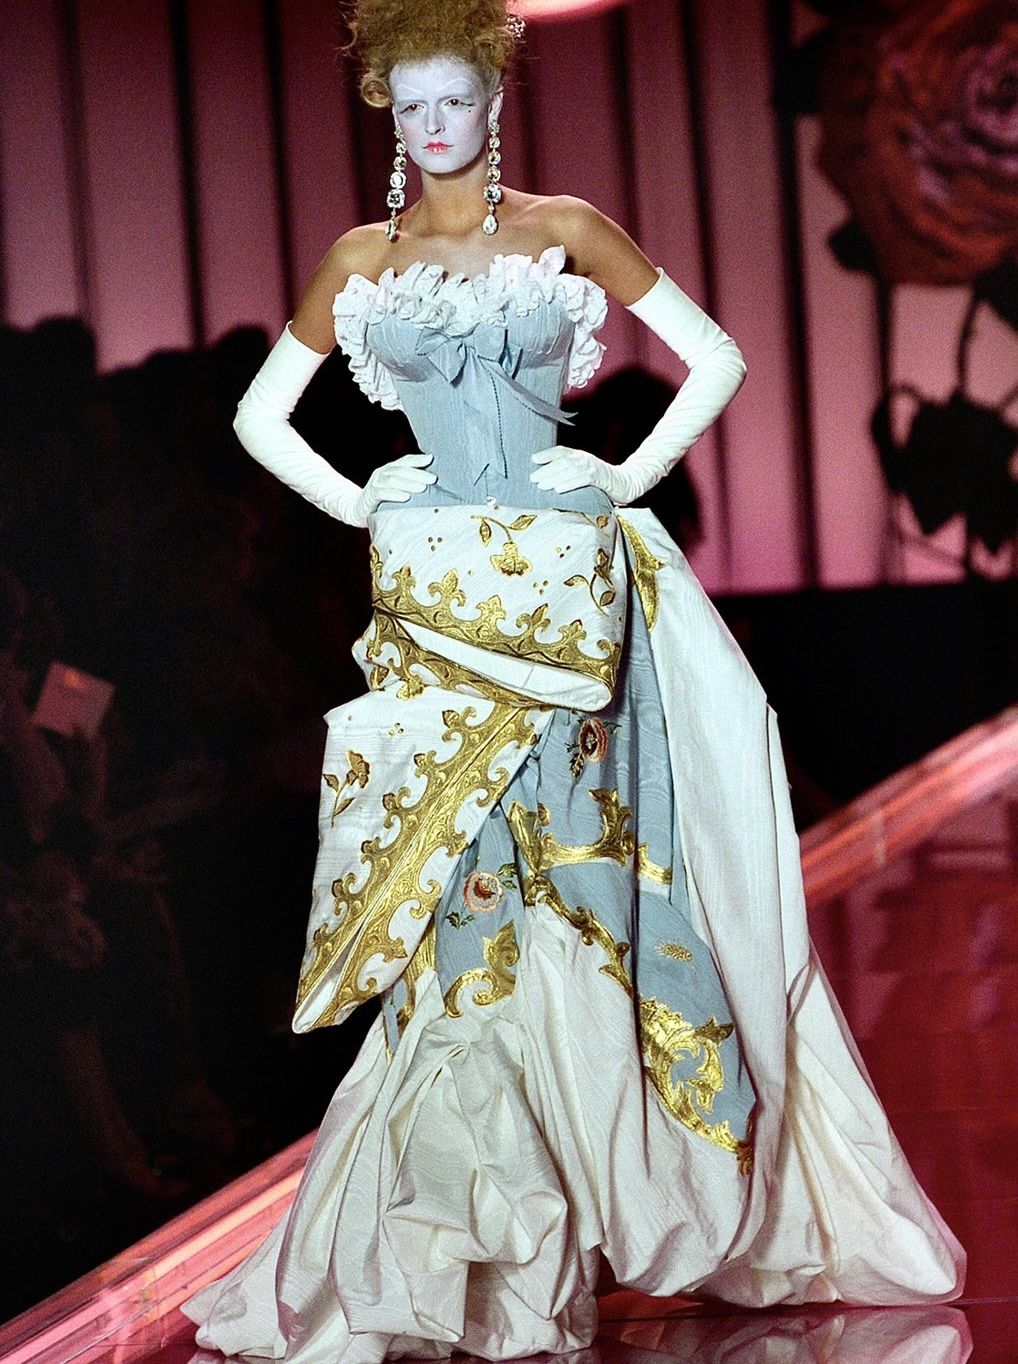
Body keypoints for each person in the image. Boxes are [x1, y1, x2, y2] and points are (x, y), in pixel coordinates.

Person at [181, 1, 964, 1358]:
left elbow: (716, 357)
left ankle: (593, 1213)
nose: (435, 126)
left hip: (565, 588)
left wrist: (619, 476)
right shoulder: (362, 257)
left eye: (454, 100)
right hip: (438, 603)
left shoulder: (566, 227)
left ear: (493, 99)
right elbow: (259, 416)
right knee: (459, 898)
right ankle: (481, 1243)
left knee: (586, 877)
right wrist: (369, 501)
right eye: (411, 107)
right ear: (388, 114)